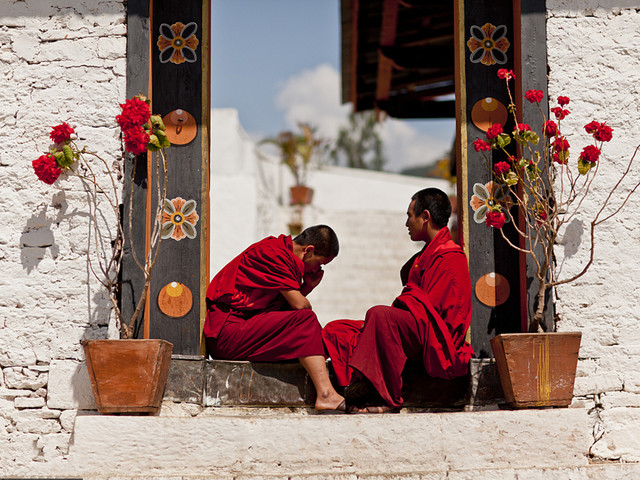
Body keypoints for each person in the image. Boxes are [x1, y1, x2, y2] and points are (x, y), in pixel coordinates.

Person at [322, 188, 474, 413]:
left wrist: (403, 309)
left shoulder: (450, 257)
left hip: (437, 340)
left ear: (425, 217)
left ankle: (383, 396)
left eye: (409, 216)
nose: (406, 223)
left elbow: (449, 319)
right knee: (339, 330)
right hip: (419, 327)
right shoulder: (428, 254)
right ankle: (356, 383)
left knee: (380, 315)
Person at [204, 224, 345, 413]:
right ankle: (326, 394)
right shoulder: (273, 253)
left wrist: (305, 287)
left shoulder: (284, 256)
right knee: (306, 320)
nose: (317, 270)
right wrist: (308, 289)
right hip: (227, 334)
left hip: (245, 329)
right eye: (319, 264)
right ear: (309, 251)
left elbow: (283, 311)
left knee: (318, 330)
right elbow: (299, 307)